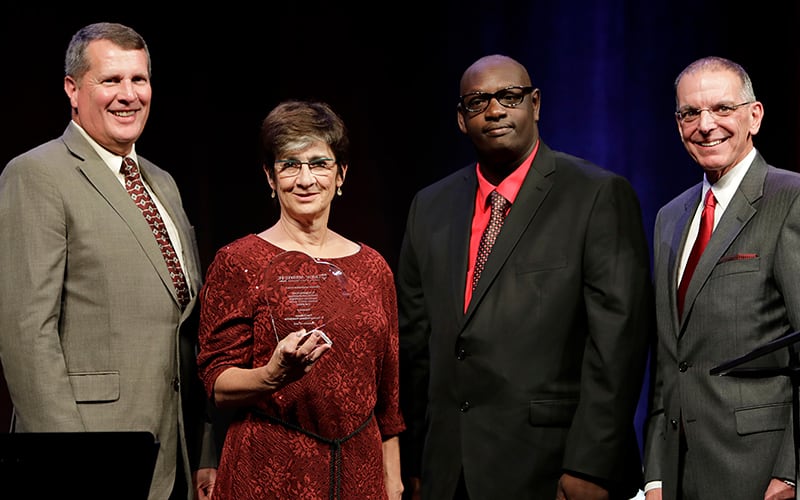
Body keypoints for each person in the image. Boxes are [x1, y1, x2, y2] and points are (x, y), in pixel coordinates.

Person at [397, 53, 654, 499]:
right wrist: (414, 460)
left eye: (509, 97)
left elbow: (618, 345)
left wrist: (591, 466)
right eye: (478, 102)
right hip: (447, 470)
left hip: (553, 467)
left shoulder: (595, 194)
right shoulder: (430, 206)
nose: (494, 110)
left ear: (535, 104)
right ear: (461, 119)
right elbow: (414, 344)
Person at [0, 22, 217, 500]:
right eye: (111, 81)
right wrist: (72, 464)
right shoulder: (37, 174)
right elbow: (26, 335)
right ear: (73, 90)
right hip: (89, 455)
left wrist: (206, 450)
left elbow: (188, 323)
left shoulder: (162, 183)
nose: (129, 95)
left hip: (172, 452)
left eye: (139, 79)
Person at [196, 99, 405, 500]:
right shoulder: (238, 261)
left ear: (341, 174)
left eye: (319, 163)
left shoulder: (374, 267)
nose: (305, 178)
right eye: (290, 164)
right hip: (270, 466)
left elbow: (389, 395)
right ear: (270, 178)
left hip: (359, 471)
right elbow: (216, 383)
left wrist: (391, 479)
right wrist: (271, 375)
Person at [644, 56, 800, 500]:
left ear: (755, 116)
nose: (705, 124)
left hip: (761, 472)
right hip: (679, 473)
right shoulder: (669, 217)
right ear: (678, 125)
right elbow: (669, 359)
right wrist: (655, 474)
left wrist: (791, 473)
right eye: (690, 113)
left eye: (722, 109)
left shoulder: (790, 200)